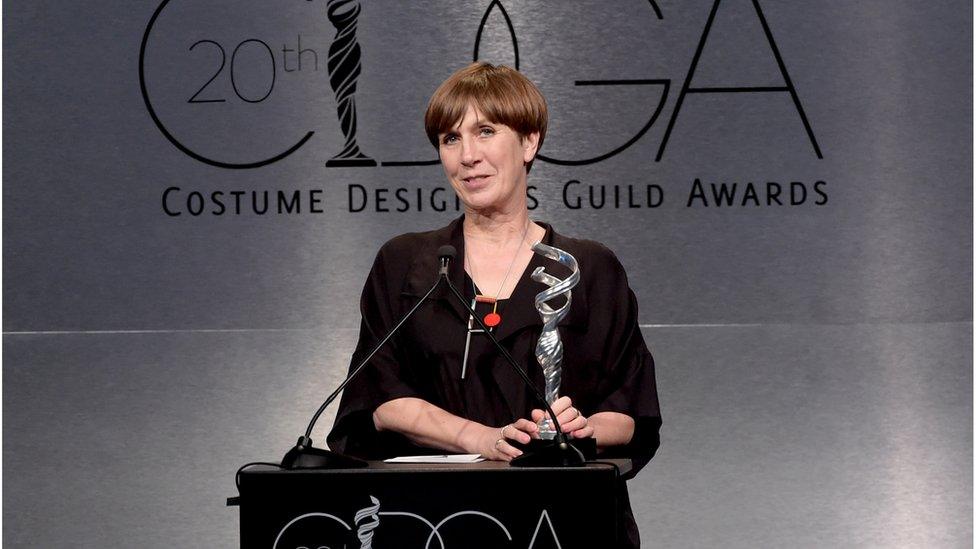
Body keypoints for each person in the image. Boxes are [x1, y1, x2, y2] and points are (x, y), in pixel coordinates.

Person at [327, 62, 661, 548]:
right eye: (450, 138)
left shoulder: (588, 269)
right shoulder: (408, 266)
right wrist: (481, 439)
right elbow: (378, 402)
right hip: (433, 522)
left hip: (567, 522)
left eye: (485, 132)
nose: (468, 156)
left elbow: (631, 410)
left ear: (529, 142)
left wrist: (579, 428)